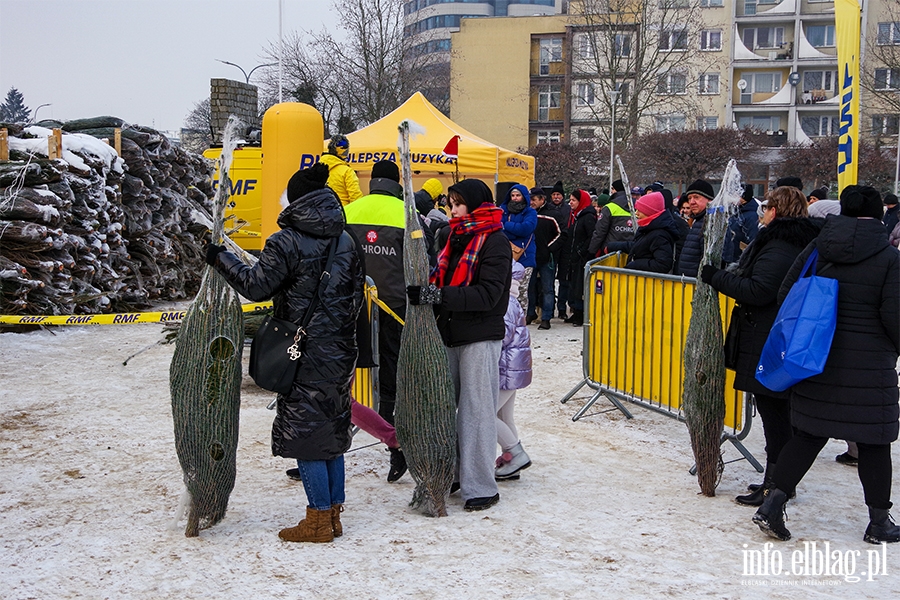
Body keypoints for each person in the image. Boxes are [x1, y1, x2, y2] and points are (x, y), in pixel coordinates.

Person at [206, 162, 364, 543]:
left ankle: (317, 520)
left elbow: (256, 287)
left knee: (308, 434)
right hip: (340, 349)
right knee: (332, 428)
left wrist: (219, 258)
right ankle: (334, 514)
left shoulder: (287, 240)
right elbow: (356, 295)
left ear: (296, 200)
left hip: (304, 352)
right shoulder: (346, 239)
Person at [752, 185, 900, 544]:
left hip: (815, 358)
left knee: (808, 435)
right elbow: (895, 318)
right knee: (875, 442)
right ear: (879, 213)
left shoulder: (819, 247)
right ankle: (879, 522)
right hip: (869, 368)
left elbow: (788, 294)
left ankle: (773, 504)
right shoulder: (889, 258)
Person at [699, 186, 819, 506]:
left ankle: (776, 485)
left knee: (775, 416)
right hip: (778, 336)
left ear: (776, 211)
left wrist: (715, 277)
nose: (762, 211)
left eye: (766, 206)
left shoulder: (780, 244)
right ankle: (778, 481)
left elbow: (759, 290)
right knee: (778, 414)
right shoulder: (792, 240)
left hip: (769, 339)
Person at [406, 178, 512, 512]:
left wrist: (438, 296)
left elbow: (489, 295)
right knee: (441, 407)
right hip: (449, 333)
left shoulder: (495, 241)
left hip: (480, 336)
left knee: (476, 411)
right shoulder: (453, 236)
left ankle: (480, 485)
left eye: (458, 202)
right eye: (450, 202)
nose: (452, 208)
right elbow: (443, 278)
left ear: (476, 204)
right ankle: (451, 473)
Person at [345, 160, 434, 434]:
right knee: (390, 363)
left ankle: (348, 417)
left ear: (371, 181)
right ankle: (387, 419)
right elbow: (424, 257)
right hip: (394, 305)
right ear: (398, 183)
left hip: (353, 305)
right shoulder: (408, 213)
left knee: (348, 364)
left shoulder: (349, 210)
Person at [495, 261, 533, 481]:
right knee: (504, 416)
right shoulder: (512, 301)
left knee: (486, 415)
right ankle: (510, 462)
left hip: (506, 369)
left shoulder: (505, 304)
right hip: (513, 368)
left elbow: (502, 335)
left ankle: (515, 453)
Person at [607, 191, 680, 274]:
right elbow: (638, 246)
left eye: (639, 210)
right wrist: (612, 246)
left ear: (649, 212)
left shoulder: (659, 235)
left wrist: (634, 265)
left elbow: (662, 265)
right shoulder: (649, 229)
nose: (636, 213)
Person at [674, 179, 734, 277]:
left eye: (696, 197)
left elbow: (713, 260)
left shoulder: (713, 223)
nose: (692, 202)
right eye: (689, 198)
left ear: (709, 200)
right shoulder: (699, 221)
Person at [527, 187, 561, 330]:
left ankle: (546, 317)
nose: (531, 202)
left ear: (542, 199)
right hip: (530, 256)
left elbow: (561, 234)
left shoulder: (553, 214)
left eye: (534, 200)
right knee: (530, 287)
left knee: (547, 288)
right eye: (530, 199)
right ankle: (530, 313)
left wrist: (549, 248)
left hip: (547, 257)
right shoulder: (527, 214)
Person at [500, 184, 537, 313]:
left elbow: (526, 229)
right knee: (506, 289)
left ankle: (521, 317)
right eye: (513, 195)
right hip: (506, 255)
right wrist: (516, 230)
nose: (515, 198)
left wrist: (507, 225)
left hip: (524, 257)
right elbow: (500, 229)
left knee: (521, 291)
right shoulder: (503, 210)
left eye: (518, 195)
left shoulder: (530, 212)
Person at [564, 189, 597, 326]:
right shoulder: (576, 216)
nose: (570, 203)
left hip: (582, 257)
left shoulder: (587, 217)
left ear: (581, 201)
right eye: (570, 200)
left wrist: (582, 251)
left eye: (573, 200)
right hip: (574, 256)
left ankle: (580, 313)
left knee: (580, 287)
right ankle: (576, 312)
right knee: (573, 286)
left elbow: (591, 236)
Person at [587, 178, 635, 259]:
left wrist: (591, 251)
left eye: (612, 188)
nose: (611, 191)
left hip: (610, 253)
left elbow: (599, 232)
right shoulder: (637, 206)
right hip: (630, 253)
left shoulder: (609, 207)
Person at [319, 134, 362, 206]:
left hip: (322, 211)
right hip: (343, 211)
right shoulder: (347, 171)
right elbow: (355, 196)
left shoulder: (317, 168)